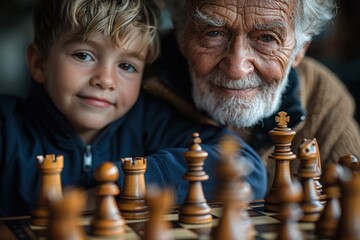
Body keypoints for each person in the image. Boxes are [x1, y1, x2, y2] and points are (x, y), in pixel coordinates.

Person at [0, 0, 267, 217]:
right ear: (38, 63)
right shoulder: (7, 126)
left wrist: (117, 189)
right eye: (84, 55)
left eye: (127, 66)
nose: (105, 79)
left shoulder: (151, 121)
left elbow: (249, 171)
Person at [145, 0, 360, 190]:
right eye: (213, 33)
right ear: (181, 35)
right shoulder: (129, 83)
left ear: (301, 48)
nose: (236, 69)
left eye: (266, 38)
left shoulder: (322, 97)